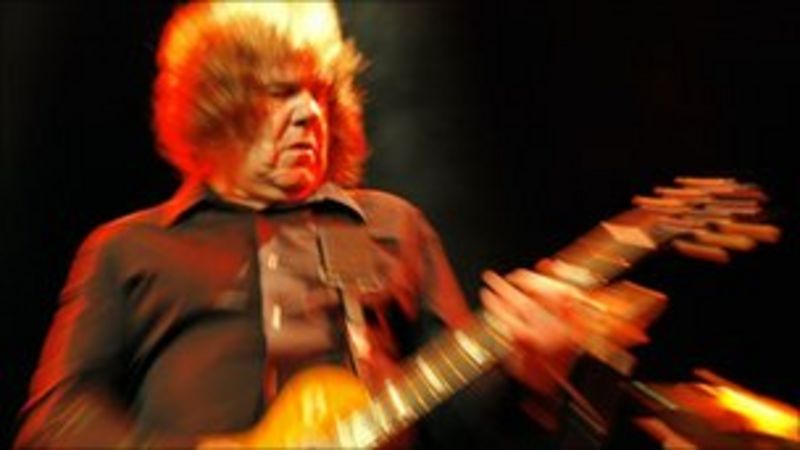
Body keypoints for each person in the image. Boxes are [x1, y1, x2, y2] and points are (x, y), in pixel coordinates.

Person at [14, 2, 619, 448]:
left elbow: (465, 424)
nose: (309, 113)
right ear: (216, 105)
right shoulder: (129, 248)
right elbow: (54, 423)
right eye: (282, 93)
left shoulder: (391, 226)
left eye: (320, 93)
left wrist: (531, 376)